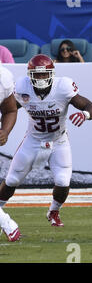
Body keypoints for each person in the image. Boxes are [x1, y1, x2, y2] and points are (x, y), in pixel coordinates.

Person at [0, 54, 92, 240]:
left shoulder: (63, 87)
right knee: (12, 180)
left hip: (59, 141)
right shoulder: (22, 87)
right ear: (30, 76)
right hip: (33, 140)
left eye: (45, 75)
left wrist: (85, 114)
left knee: (63, 181)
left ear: (52, 74)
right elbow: (10, 109)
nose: (41, 79)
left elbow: (91, 106)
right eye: (37, 75)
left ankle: (53, 211)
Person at [0, 64, 19, 241]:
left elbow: (10, 109)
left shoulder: (3, 77)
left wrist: (5, 131)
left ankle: (8, 224)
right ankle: (8, 224)